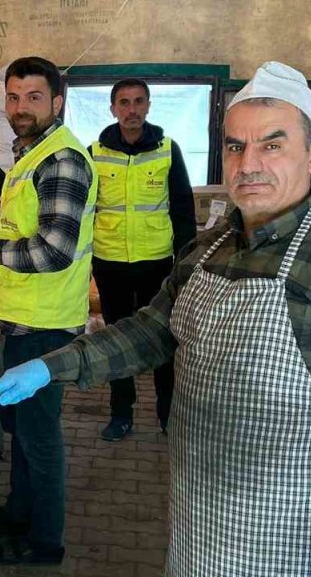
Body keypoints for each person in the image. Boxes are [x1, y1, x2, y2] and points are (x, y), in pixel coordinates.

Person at [0, 61, 311, 577]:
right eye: (235, 146)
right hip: (199, 519)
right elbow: (150, 331)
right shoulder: (208, 250)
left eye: (272, 145)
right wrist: (52, 366)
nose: (249, 164)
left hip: (298, 535)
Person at [0, 56, 97, 566]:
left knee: (39, 437)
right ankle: (18, 512)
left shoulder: (63, 160)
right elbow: (26, 215)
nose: (20, 108)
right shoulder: (32, 153)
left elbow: (54, 250)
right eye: (13, 98)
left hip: (45, 324)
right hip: (19, 315)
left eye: (33, 98)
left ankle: (45, 542)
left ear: (57, 102)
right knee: (19, 427)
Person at [90, 78, 196, 441]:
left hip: (157, 263)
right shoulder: (95, 153)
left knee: (162, 339)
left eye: (138, 101)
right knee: (117, 340)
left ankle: (167, 414)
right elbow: (86, 210)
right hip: (110, 262)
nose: (132, 109)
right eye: (124, 102)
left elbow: (183, 209)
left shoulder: (168, 149)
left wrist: (184, 263)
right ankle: (121, 414)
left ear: (148, 106)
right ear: (113, 109)